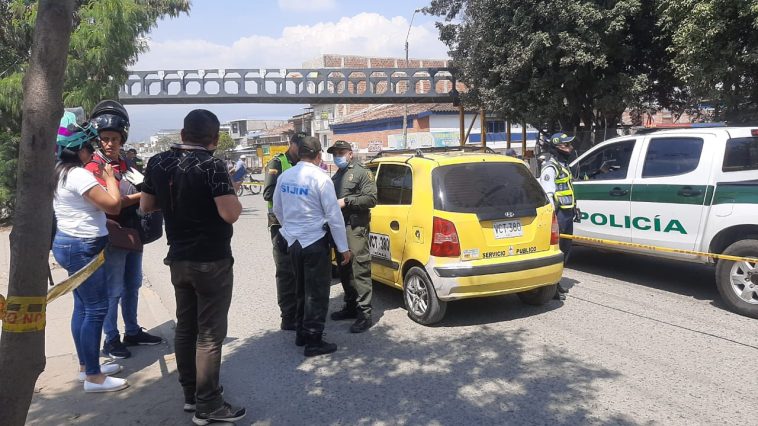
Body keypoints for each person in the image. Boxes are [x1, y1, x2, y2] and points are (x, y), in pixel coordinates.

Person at [140, 109, 246, 424]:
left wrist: (177, 202)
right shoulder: (213, 166)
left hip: (179, 259)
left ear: (183, 134)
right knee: (210, 334)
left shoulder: (157, 162)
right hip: (211, 260)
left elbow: (146, 206)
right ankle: (209, 404)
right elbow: (230, 214)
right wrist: (232, 191)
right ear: (214, 139)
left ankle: (191, 396)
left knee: (186, 328)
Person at [52, 112, 128, 393]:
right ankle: (94, 377)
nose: (94, 151)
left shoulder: (59, 171)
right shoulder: (79, 173)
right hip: (82, 247)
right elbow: (113, 205)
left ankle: (87, 366)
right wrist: (109, 177)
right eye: (91, 146)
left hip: (70, 244)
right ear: (81, 148)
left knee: (83, 307)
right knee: (96, 309)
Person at [86, 100, 162, 359]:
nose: (110, 144)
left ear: (122, 139)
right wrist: (141, 195)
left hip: (133, 234)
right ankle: (111, 339)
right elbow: (111, 203)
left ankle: (132, 331)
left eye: (115, 139)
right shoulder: (94, 168)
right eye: (105, 139)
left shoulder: (126, 165)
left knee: (133, 285)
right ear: (98, 140)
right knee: (114, 289)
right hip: (112, 236)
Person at [272, 136, 351, 357]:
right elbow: (333, 216)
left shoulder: (285, 176)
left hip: (293, 242)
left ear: (299, 154)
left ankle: (301, 333)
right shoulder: (320, 178)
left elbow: (277, 208)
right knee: (316, 292)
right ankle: (314, 341)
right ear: (318, 156)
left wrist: (291, 228)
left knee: (300, 289)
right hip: (314, 242)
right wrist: (343, 248)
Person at [327, 140, 377, 333]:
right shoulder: (337, 175)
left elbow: (372, 198)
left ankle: (365, 313)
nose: (337, 156)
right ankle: (350, 306)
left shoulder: (362, 172)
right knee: (344, 268)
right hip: (339, 228)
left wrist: (347, 201)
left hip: (355, 227)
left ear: (350, 153)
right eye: (334, 154)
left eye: (340, 152)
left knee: (359, 269)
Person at [262, 133, 303, 331]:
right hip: (280, 226)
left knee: (300, 270)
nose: (302, 149)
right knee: (286, 271)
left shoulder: (303, 164)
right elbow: (268, 193)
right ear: (291, 144)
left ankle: (300, 310)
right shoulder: (278, 163)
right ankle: (288, 316)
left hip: (301, 226)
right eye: (299, 145)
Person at [538, 132, 577, 300]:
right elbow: (549, 192)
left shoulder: (563, 164)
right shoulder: (550, 166)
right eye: (566, 145)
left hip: (568, 213)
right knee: (557, 250)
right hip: (559, 214)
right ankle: (551, 286)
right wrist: (552, 217)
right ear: (556, 148)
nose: (570, 148)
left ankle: (557, 280)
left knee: (566, 249)